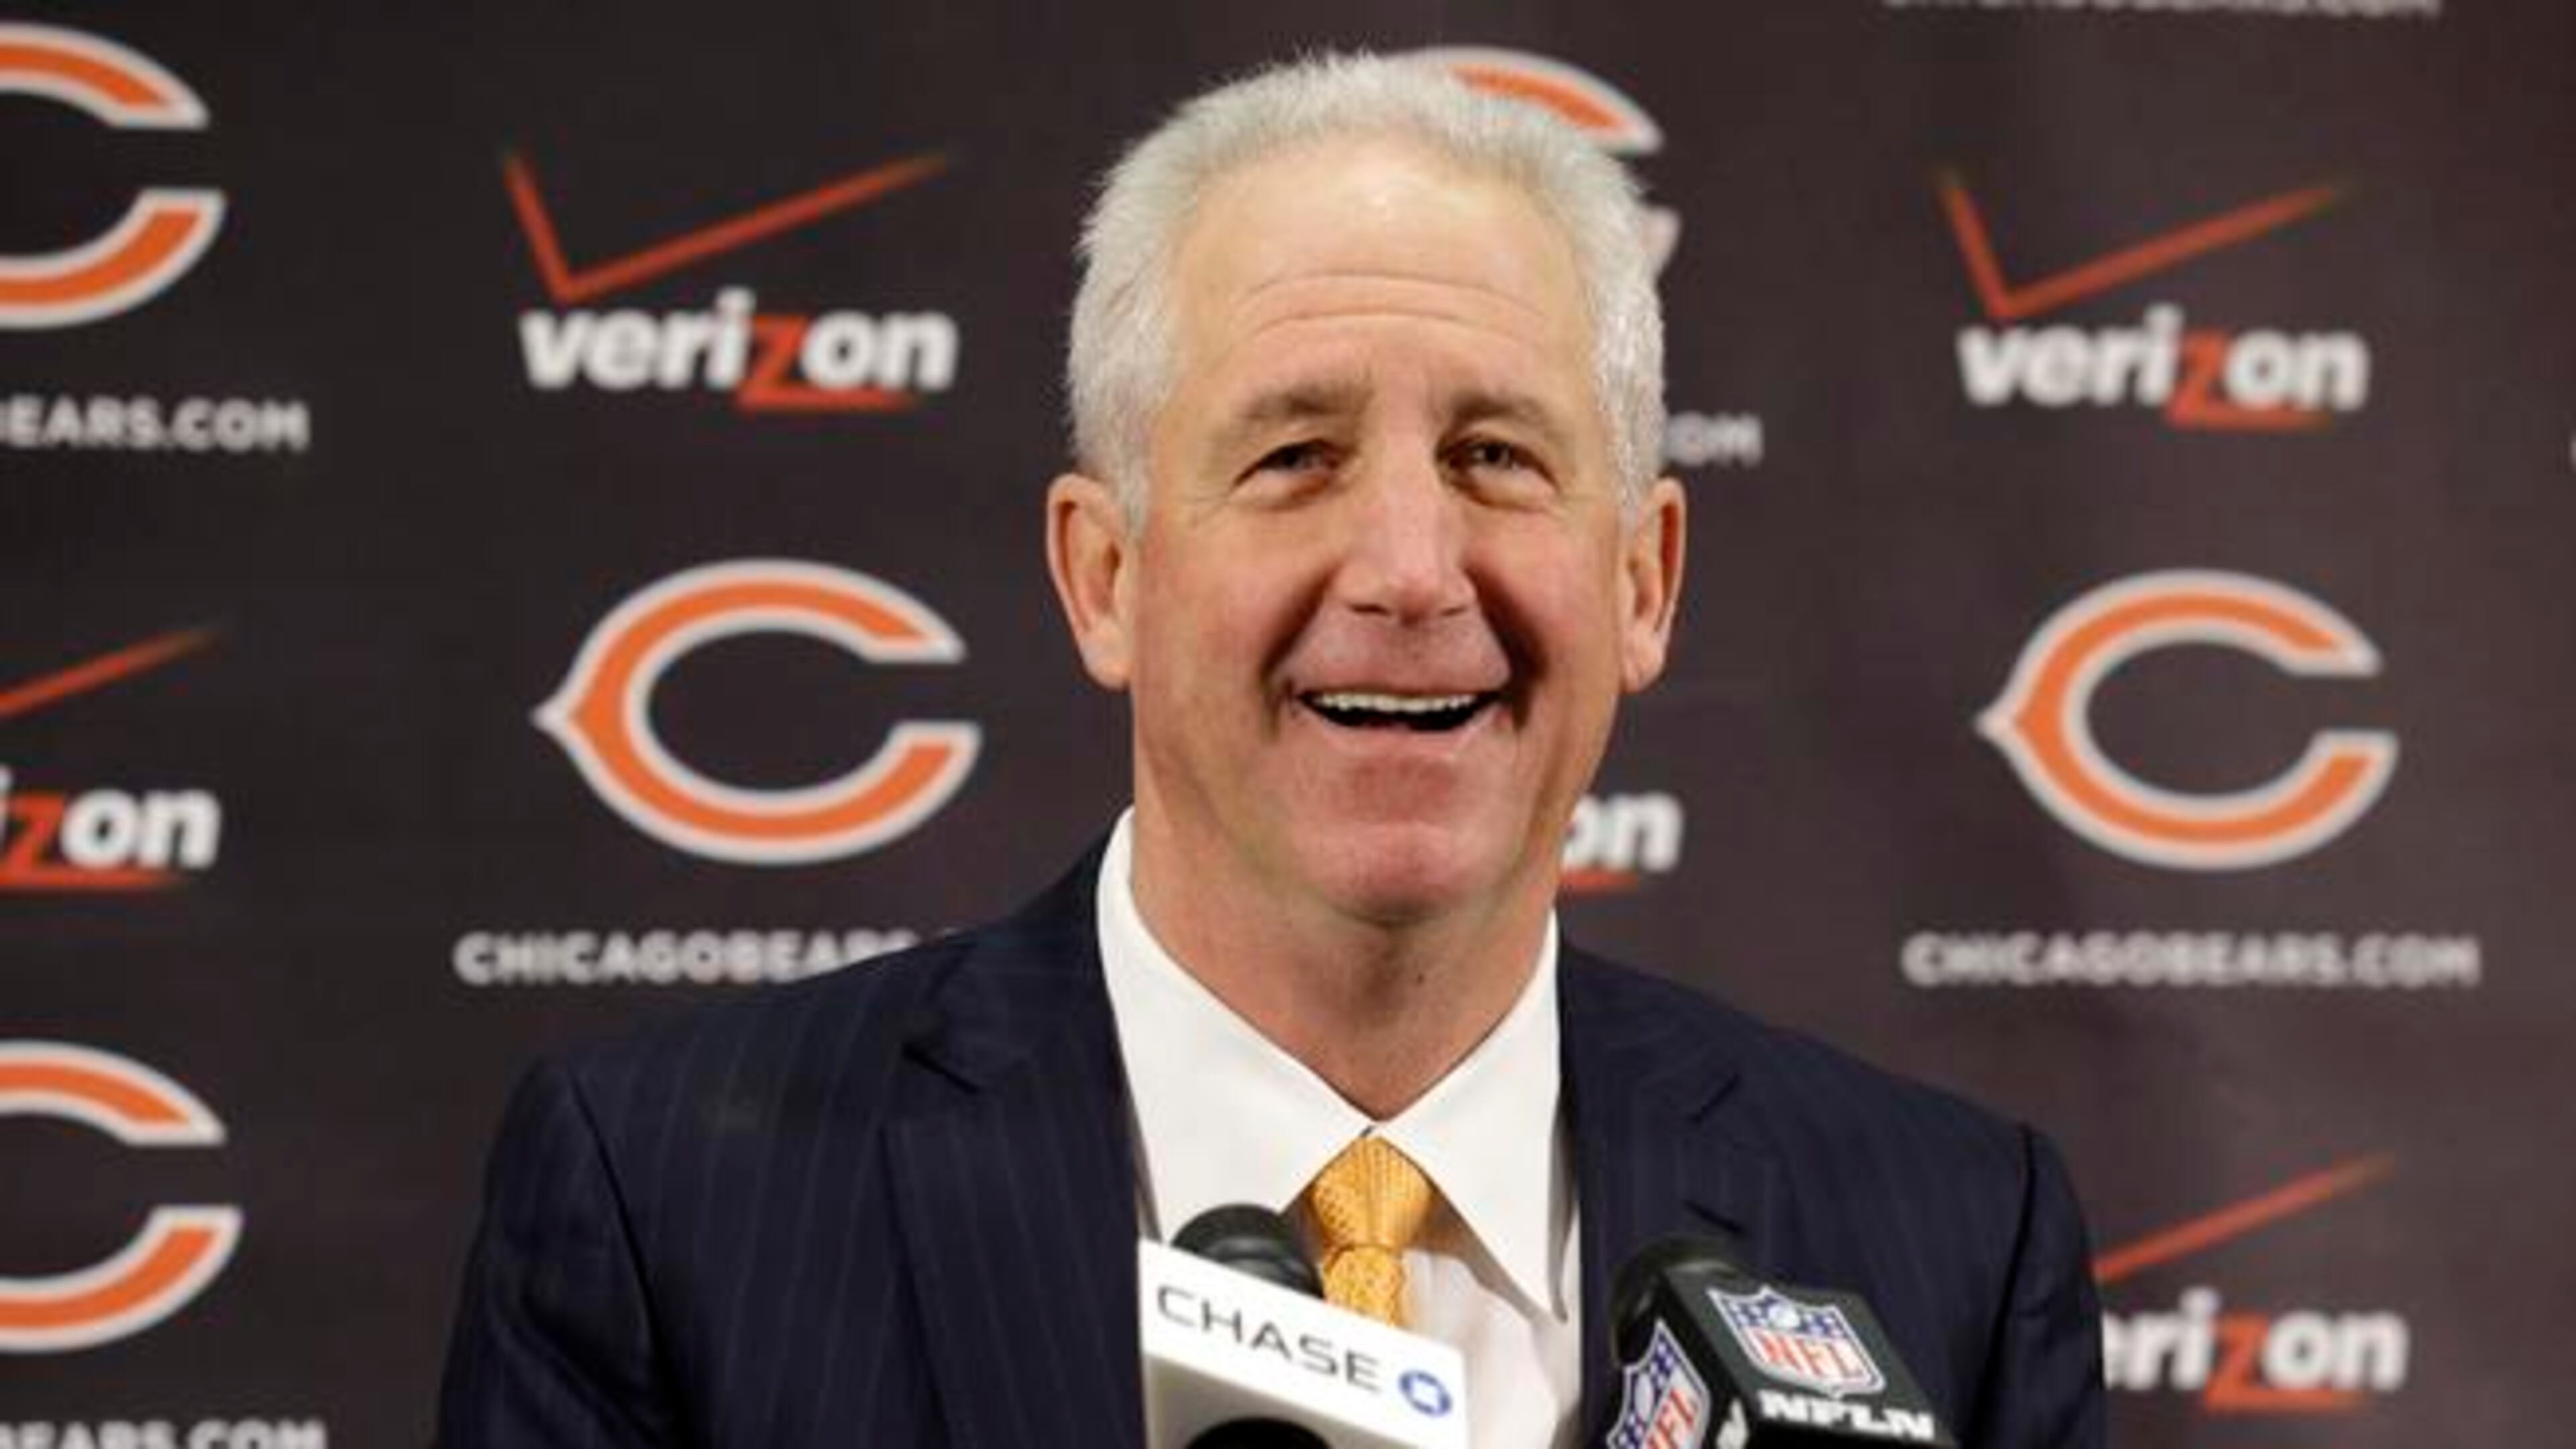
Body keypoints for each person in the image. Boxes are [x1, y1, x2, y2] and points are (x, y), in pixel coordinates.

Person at [439, 54, 2104, 1448]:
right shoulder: (667, 1212)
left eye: (1498, 455)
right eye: (1296, 454)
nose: (1406, 568)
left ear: (1643, 581)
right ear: (1107, 577)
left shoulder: (1950, 1245)